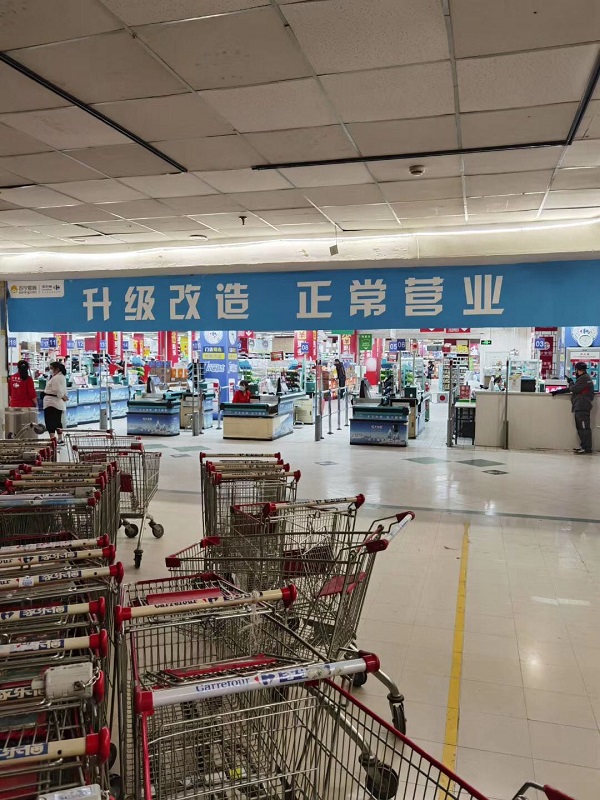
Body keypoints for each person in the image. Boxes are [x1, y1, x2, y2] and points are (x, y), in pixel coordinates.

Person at [552, 362, 595, 454]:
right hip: (581, 406)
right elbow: (575, 388)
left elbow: (574, 389)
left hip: (582, 406)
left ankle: (586, 448)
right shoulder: (585, 378)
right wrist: (560, 390)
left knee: (583, 428)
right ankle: (584, 446)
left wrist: (570, 383)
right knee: (581, 428)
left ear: (578, 370)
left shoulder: (584, 378)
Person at [43, 362, 68, 445]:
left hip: (51, 402)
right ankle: (60, 439)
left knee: (50, 421)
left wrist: (62, 396)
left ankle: (53, 439)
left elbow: (57, 390)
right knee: (57, 421)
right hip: (56, 402)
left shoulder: (56, 378)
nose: (50, 370)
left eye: (51, 368)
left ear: (57, 369)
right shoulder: (61, 377)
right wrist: (63, 396)